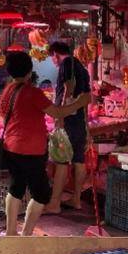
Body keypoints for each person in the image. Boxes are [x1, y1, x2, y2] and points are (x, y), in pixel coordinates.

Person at [0, 52, 90, 236]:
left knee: (16, 187)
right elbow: (57, 113)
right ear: (29, 70)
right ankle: (26, 234)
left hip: (11, 147)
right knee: (41, 194)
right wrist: (80, 102)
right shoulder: (32, 92)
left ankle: (10, 232)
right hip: (31, 150)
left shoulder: (8, 90)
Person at [46, 41, 92, 213]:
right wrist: (86, 125)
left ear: (56, 54)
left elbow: (68, 88)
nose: (53, 61)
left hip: (68, 121)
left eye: (52, 58)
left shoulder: (67, 63)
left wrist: (61, 116)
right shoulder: (82, 67)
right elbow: (86, 97)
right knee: (79, 160)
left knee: (61, 161)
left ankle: (55, 203)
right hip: (79, 120)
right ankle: (77, 199)